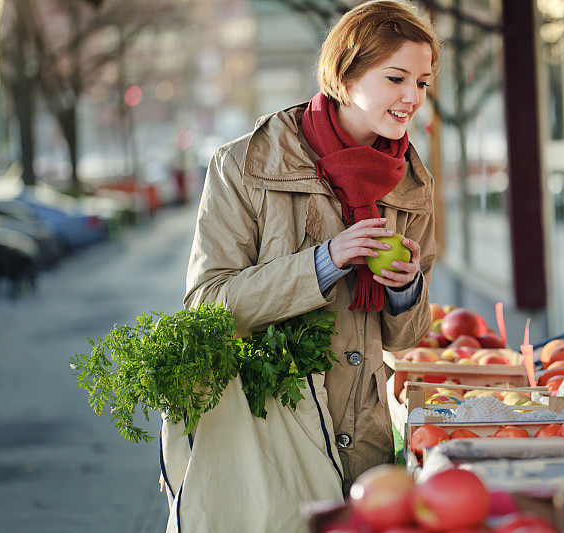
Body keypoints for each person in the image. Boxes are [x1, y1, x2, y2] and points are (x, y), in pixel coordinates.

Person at [158, 1, 439, 530]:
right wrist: (325, 262)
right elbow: (206, 306)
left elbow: (404, 340)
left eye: (422, 82)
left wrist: (406, 289)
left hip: (368, 443)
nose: (412, 97)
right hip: (274, 437)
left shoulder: (411, 184)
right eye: (396, 77)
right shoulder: (243, 165)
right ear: (344, 73)